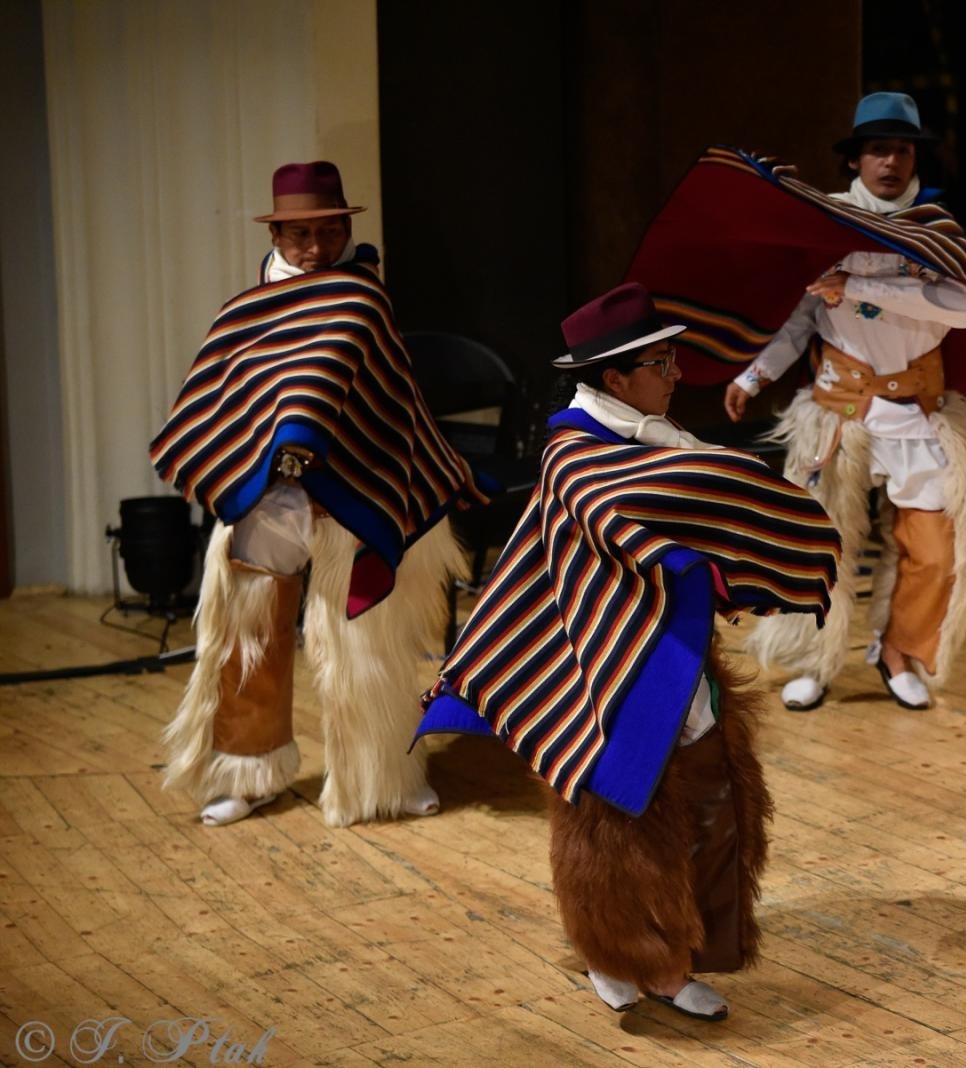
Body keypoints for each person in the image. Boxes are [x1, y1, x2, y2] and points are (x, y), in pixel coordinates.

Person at [414, 283, 841, 1019]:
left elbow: (702, 499)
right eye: (661, 363)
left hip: (670, 651)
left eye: (673, 360)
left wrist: (781, 492)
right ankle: (615, 949)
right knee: (610, 809)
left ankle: (677, 952)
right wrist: (736, 503)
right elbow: (639, 516)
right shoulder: (576, 450)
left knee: (705, 794)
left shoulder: (654, 437)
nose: (676, 375)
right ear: (615, 377)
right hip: (596, 665)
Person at [151, 161, 487, 828]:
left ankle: (382, 777)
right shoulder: (243, 312)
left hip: (358, 483)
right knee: (250, 633)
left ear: (344, 227)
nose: (313, 248)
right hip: (271, 493)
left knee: (367, 635)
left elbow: (385, 400)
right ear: (276, 230)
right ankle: (245, 773)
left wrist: (310, 430)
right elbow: (217, 403)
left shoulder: (361, 296)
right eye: (298, 233)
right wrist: (266, 452)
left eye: (327, 231)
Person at [723, 91, 966, 712]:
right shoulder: (827, 223)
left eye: (900, 149)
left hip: (918, 411)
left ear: (914, 155)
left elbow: (964, 309)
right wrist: (755, 377)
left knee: (932, 549)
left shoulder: (939, 228)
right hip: (839, 410)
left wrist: (861, 286)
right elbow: (800, 318)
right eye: (877, 150)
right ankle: (817, 659)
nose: (889, 161)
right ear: (855, 160)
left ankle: (898, 655)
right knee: (820, 545)